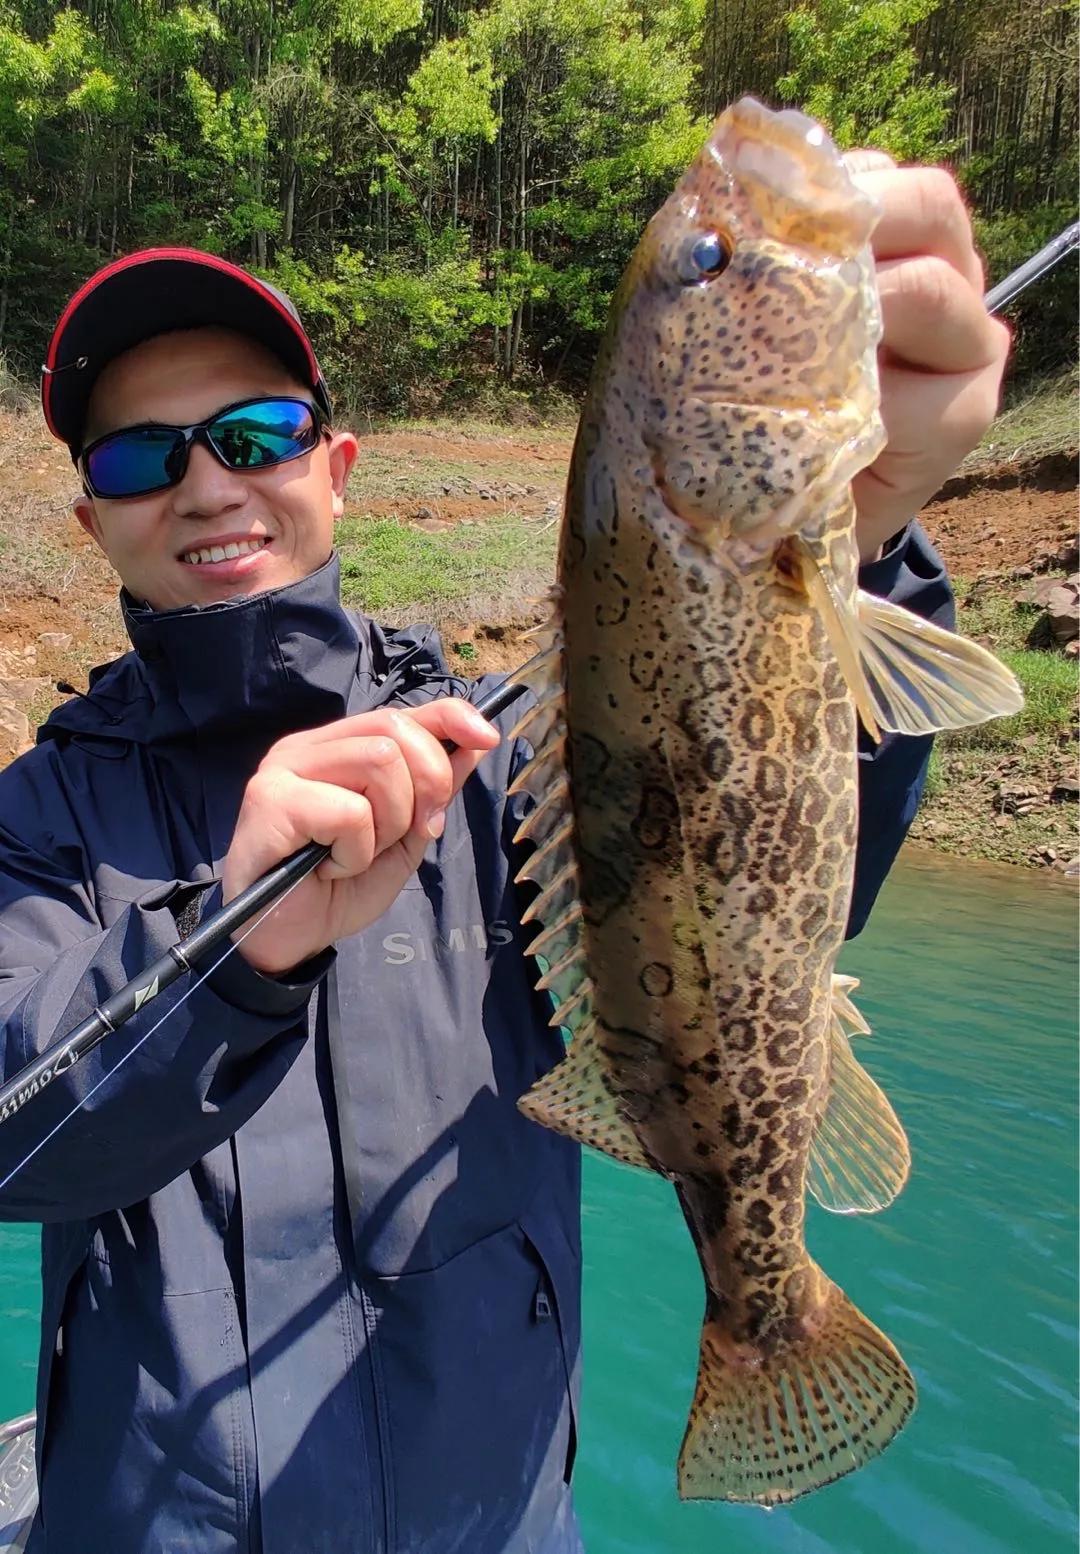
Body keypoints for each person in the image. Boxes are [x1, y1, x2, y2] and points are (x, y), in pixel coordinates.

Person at [0, 154, 1008, 1554]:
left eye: (256, 430)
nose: (205, 483)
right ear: (91, 517)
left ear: (336, 471)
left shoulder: (499, 758)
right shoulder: (38, 819)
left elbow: (743, 859)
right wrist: (236, 942)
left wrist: (867, 540)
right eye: (136, 456)